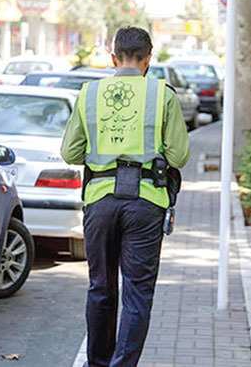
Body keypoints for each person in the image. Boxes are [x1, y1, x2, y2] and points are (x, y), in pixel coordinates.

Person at [61, 27, 190, 367]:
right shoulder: (163, 95)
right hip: (147, 203)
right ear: (149, 59)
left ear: (113, 57)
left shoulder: (89, 94)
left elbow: (70, 152)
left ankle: (97, 363)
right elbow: (178, 156)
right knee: (137, 293)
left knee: (101, 289)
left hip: (100, 201)